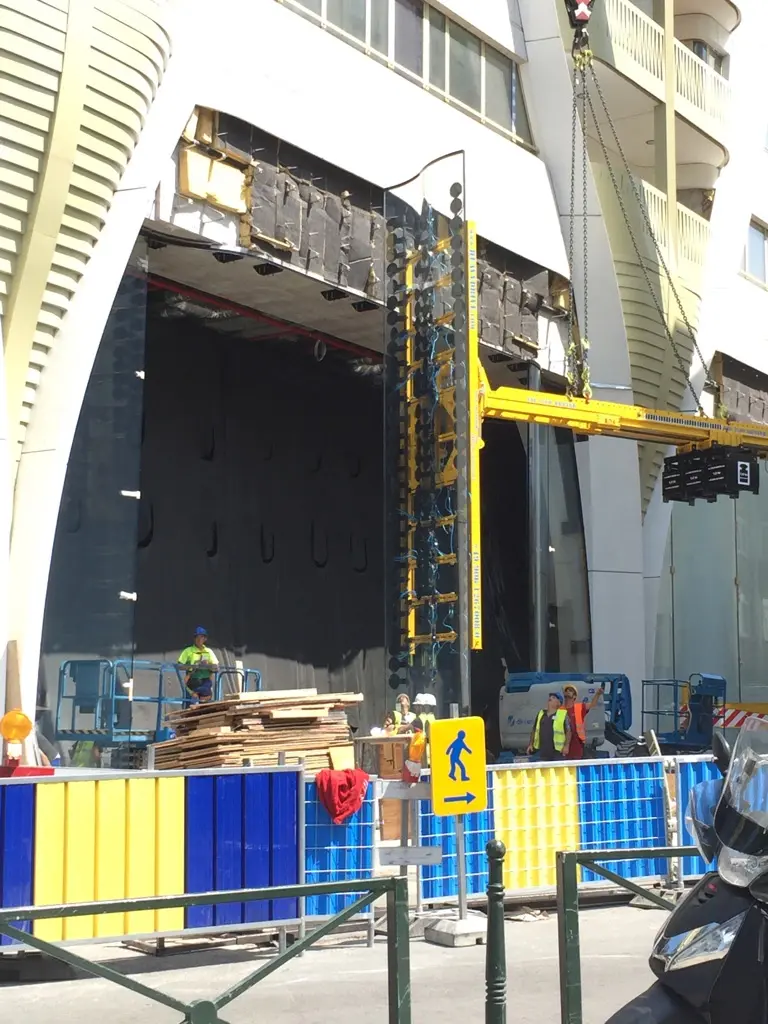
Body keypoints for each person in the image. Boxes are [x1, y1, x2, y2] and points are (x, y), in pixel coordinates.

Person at [563, 683, 604, 760]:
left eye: (570, 691)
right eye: (566, 690)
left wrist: (597, 694)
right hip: (563, 744)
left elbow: (592, 704)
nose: (568, 691)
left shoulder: (579, 707)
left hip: (577, 743)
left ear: (574, 696)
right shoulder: (560, 709)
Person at [178, 626, 219, 702]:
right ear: (194, 638)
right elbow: (180, 666)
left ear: (205, 639)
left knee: (204, 707)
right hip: (192, 681)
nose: (199, 639)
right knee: (190, 707)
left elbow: (216, 667)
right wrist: (193, 666)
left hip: (205, 682)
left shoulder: (209, 651)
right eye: (197, 637)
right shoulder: (188, 651)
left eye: (202, 637)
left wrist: (207, 666)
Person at [527, 692, 572, 761]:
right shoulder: (541, 713)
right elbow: (534, 729)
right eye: (550, 697)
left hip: (557, 751)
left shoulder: (562, 715)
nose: (550, 698)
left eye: (554, 698)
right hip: (542, 750)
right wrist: (530, 744)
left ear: (559, 703)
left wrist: (566, 746)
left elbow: (568, 731)